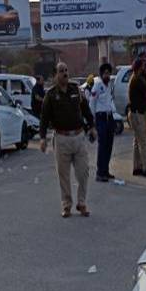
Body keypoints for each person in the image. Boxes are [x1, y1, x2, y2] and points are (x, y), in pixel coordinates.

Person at [39, 62, 96, 217]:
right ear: (55, 75)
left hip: (78, 137)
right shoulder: (50, 95)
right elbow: (44, 118)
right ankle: (66, 205)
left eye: (66, 70)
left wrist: (91, 126)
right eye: (61, 71)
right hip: (61, 138)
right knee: (63, 175)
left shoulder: (76, 90)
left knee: (83, 172)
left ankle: (82, 203)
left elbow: (86, 110)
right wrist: (42, 138)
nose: (65, 73)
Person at [128, 58, 146, 178]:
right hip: (137, 114)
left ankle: (137, 167)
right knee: (143, 142)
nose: (145, 68)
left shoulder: (136, 78)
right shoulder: (137, 79)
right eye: (144, 66)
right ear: (140, 67)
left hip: (136, 113)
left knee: (137, 141)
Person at [89, 63, 118, 182]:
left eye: (108, 73)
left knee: (109, 145)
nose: (107, 75)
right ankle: (100, 173)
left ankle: (105, 170)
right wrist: (92, 120)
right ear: (101, 74)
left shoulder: (109, 85)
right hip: (100, 117)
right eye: (105, 73)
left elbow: (110, 101)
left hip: (109, 116)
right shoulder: (97, 86)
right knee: (102, 145)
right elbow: (92, 103)